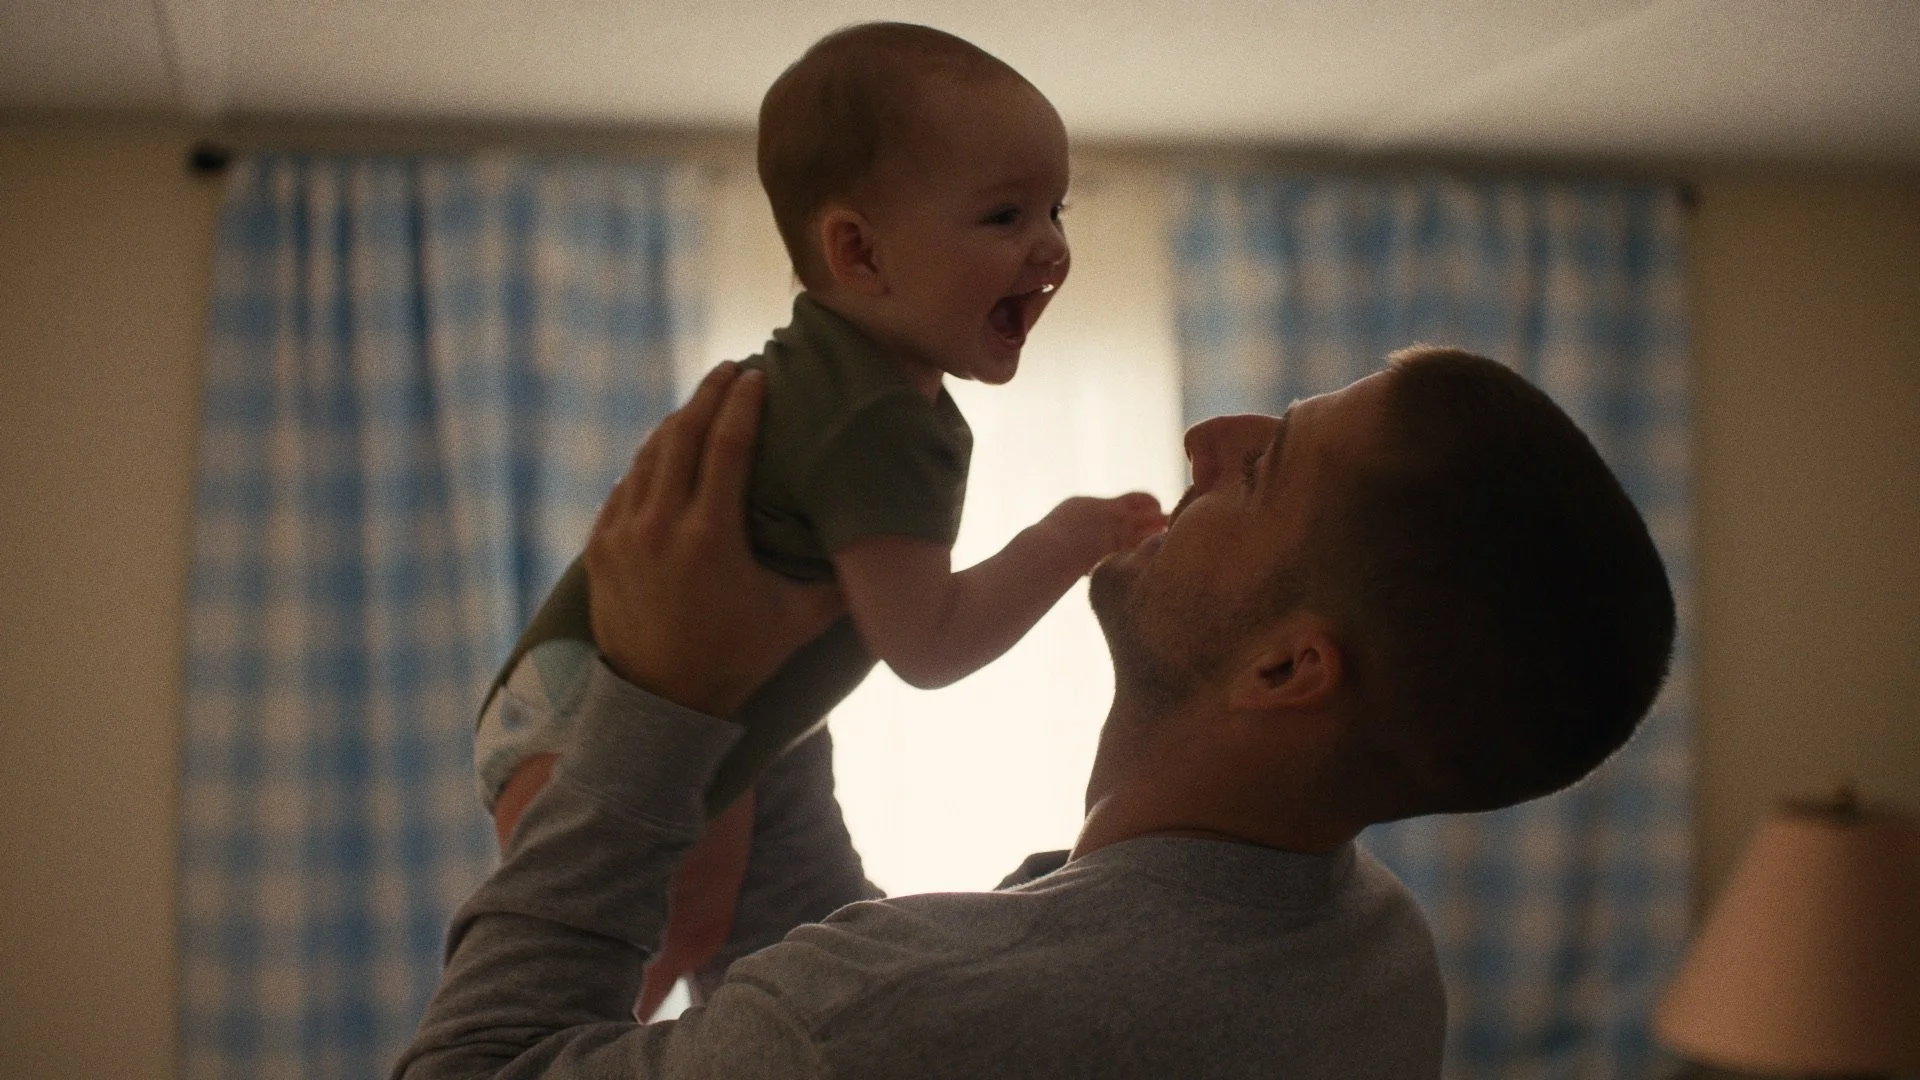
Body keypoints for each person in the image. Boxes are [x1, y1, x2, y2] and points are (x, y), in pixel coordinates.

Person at [394, 343, 1678, 1079]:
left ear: (1290, 669)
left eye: (1270, 458)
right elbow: (858, 1003)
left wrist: (659, 704)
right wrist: (759, 697)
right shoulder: (1372, 957)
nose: (1208, 435)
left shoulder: (911, 1017)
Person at [472, 20, 1163, 1013]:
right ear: (860, 253)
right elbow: (927, 643)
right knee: (616, 971)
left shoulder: (841, 373)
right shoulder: (878, 417)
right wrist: (1071, 539)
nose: (1052, 245)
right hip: (602, 721)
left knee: (696, 935)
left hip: (580, 694)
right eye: (1006, 215)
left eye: (1054, 207)